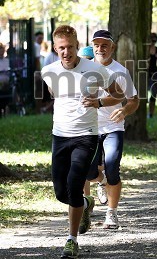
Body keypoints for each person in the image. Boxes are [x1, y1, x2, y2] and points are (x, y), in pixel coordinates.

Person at [41, 25, 123, 258]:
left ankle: (72, 239)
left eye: (70, 47)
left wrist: (98, 103)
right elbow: (54, 93)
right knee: (61, 192)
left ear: (77, 46)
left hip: (86, 135)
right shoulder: (49, 71)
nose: (66, 52)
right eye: (61, 48)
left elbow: (118, 95)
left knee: (75, 183)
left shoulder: (95, 70)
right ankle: (85, 205)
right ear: (56, 49)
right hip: (60, 135)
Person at [86, 29, 139, 230]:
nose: (100, 49)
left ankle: (111, 213)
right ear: (92, 47)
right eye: (97, 45)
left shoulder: (120, 72)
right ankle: (101, 182)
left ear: (112, 48)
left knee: (112, 166)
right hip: (89, 128)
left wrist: (124, 111)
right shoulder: (84, 69)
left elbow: (134, 101)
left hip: (112, 127)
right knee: (89, 171)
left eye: (104, 45)